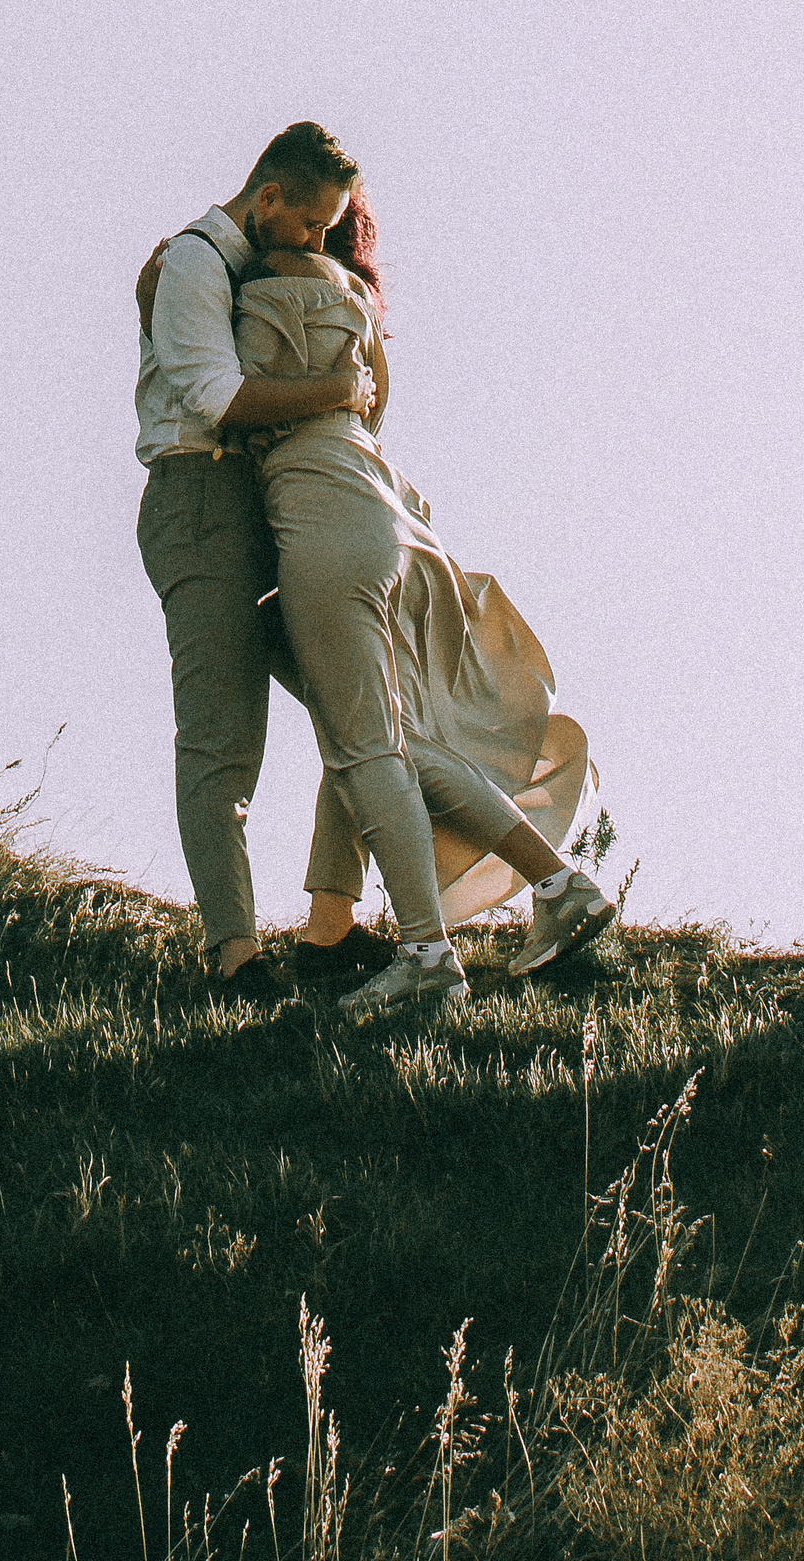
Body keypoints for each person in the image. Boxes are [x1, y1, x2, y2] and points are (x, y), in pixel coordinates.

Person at [233, 199, 617, 1010]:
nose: (279, 226)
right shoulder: (358, 304)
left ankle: (427, 958)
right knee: (377, 736)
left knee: (370, 746)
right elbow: (367, 411)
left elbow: (229, 397)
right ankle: (553, 887)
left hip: (329, 519)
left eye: (297, 214)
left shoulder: (270, 283)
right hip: (389, 519)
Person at [136, 124, 398, 1006]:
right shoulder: (195, 264)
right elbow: (219, 401)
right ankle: (236, 959)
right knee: (223, 739)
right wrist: (341, 391)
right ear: (270, 198)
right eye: (313, 226)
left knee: (355, 703)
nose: (319, 244)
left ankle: (329, 927)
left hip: (263, 509)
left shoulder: (245, 273)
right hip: (200, 501)